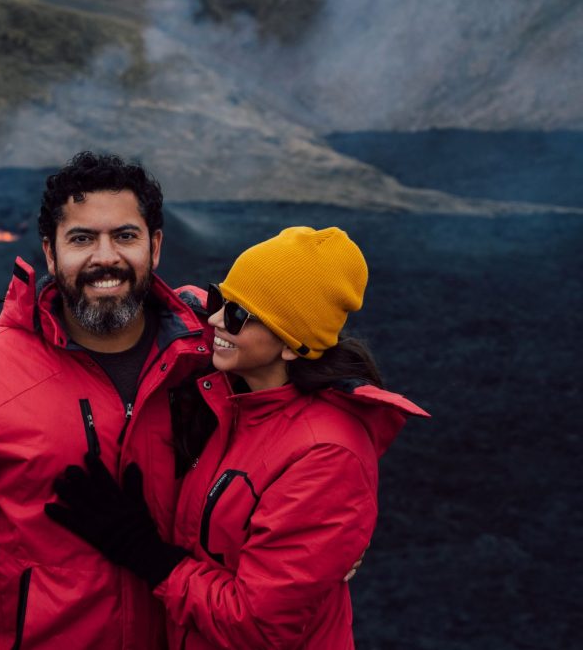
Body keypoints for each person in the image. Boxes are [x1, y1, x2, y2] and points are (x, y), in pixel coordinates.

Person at [46, 226, 430, 649]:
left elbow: (260, 626)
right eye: (220, 299)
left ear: (291, 345)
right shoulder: (233, 403)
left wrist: (146, 555)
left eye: (236, 314)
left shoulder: (325, 454)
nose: (214, 319)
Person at [0, 152, 212, 649]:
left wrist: (326, 545)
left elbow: (304, 429)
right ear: (50, 252)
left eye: (124, 236)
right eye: (82, 239)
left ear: (156, 246)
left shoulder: (214, 358)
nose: (105, 257)